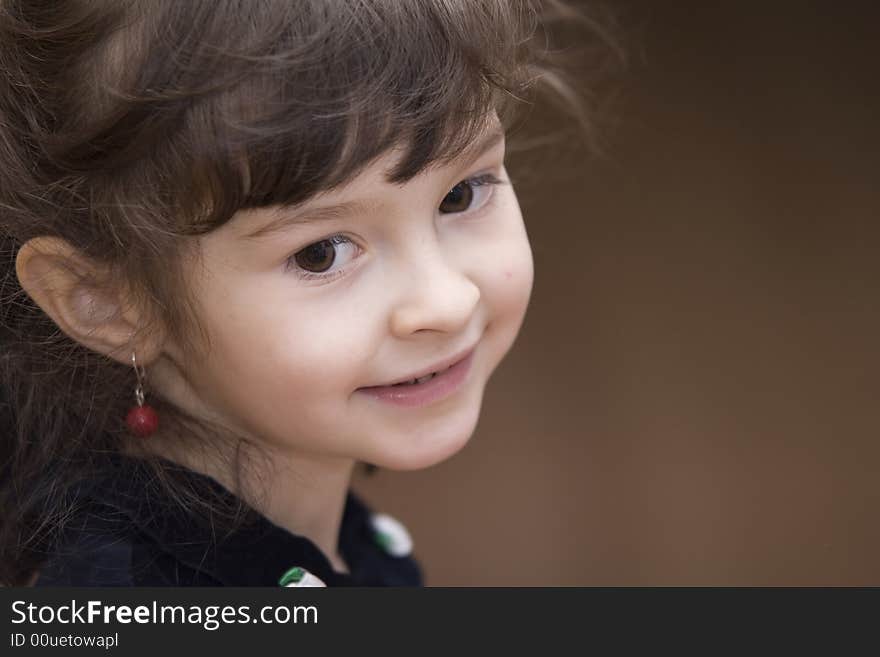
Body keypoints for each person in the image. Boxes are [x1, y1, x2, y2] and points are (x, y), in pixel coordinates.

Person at [0, 0, 605, 586]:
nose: (445, 302)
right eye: (323, 253)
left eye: (461, 194)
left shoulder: (338, 546)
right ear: (107, 303)